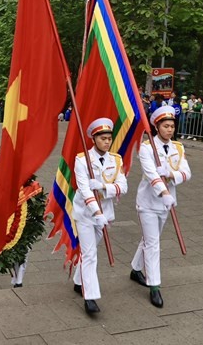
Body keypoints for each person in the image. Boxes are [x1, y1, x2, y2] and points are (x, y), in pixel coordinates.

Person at [130, 106, 192, 308]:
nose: (169, 130)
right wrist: (163, 192)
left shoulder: (178, 148)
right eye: (165, 126)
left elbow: (186, 173)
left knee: (150, 238)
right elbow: (150, 174)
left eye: (172, 126)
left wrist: (171, 174)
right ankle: (154, 285)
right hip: (149, 202)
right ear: (156, 127)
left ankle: (135, 268)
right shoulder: (147, 148)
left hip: (167, 203)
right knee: (154, 243)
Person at [72, 118, 128, 315]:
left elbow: (123, 186)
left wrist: (104, 187)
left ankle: (79, 281)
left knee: (90, 250)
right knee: (90, 254)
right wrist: (96, 212)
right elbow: (85, 190)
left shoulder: (116, 160)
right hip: (86, 214)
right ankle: (91, 297)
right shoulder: (81, 160)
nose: (107, 142)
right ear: (93, 139)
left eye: (109, 138)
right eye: (103, 138)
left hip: (105, 214)